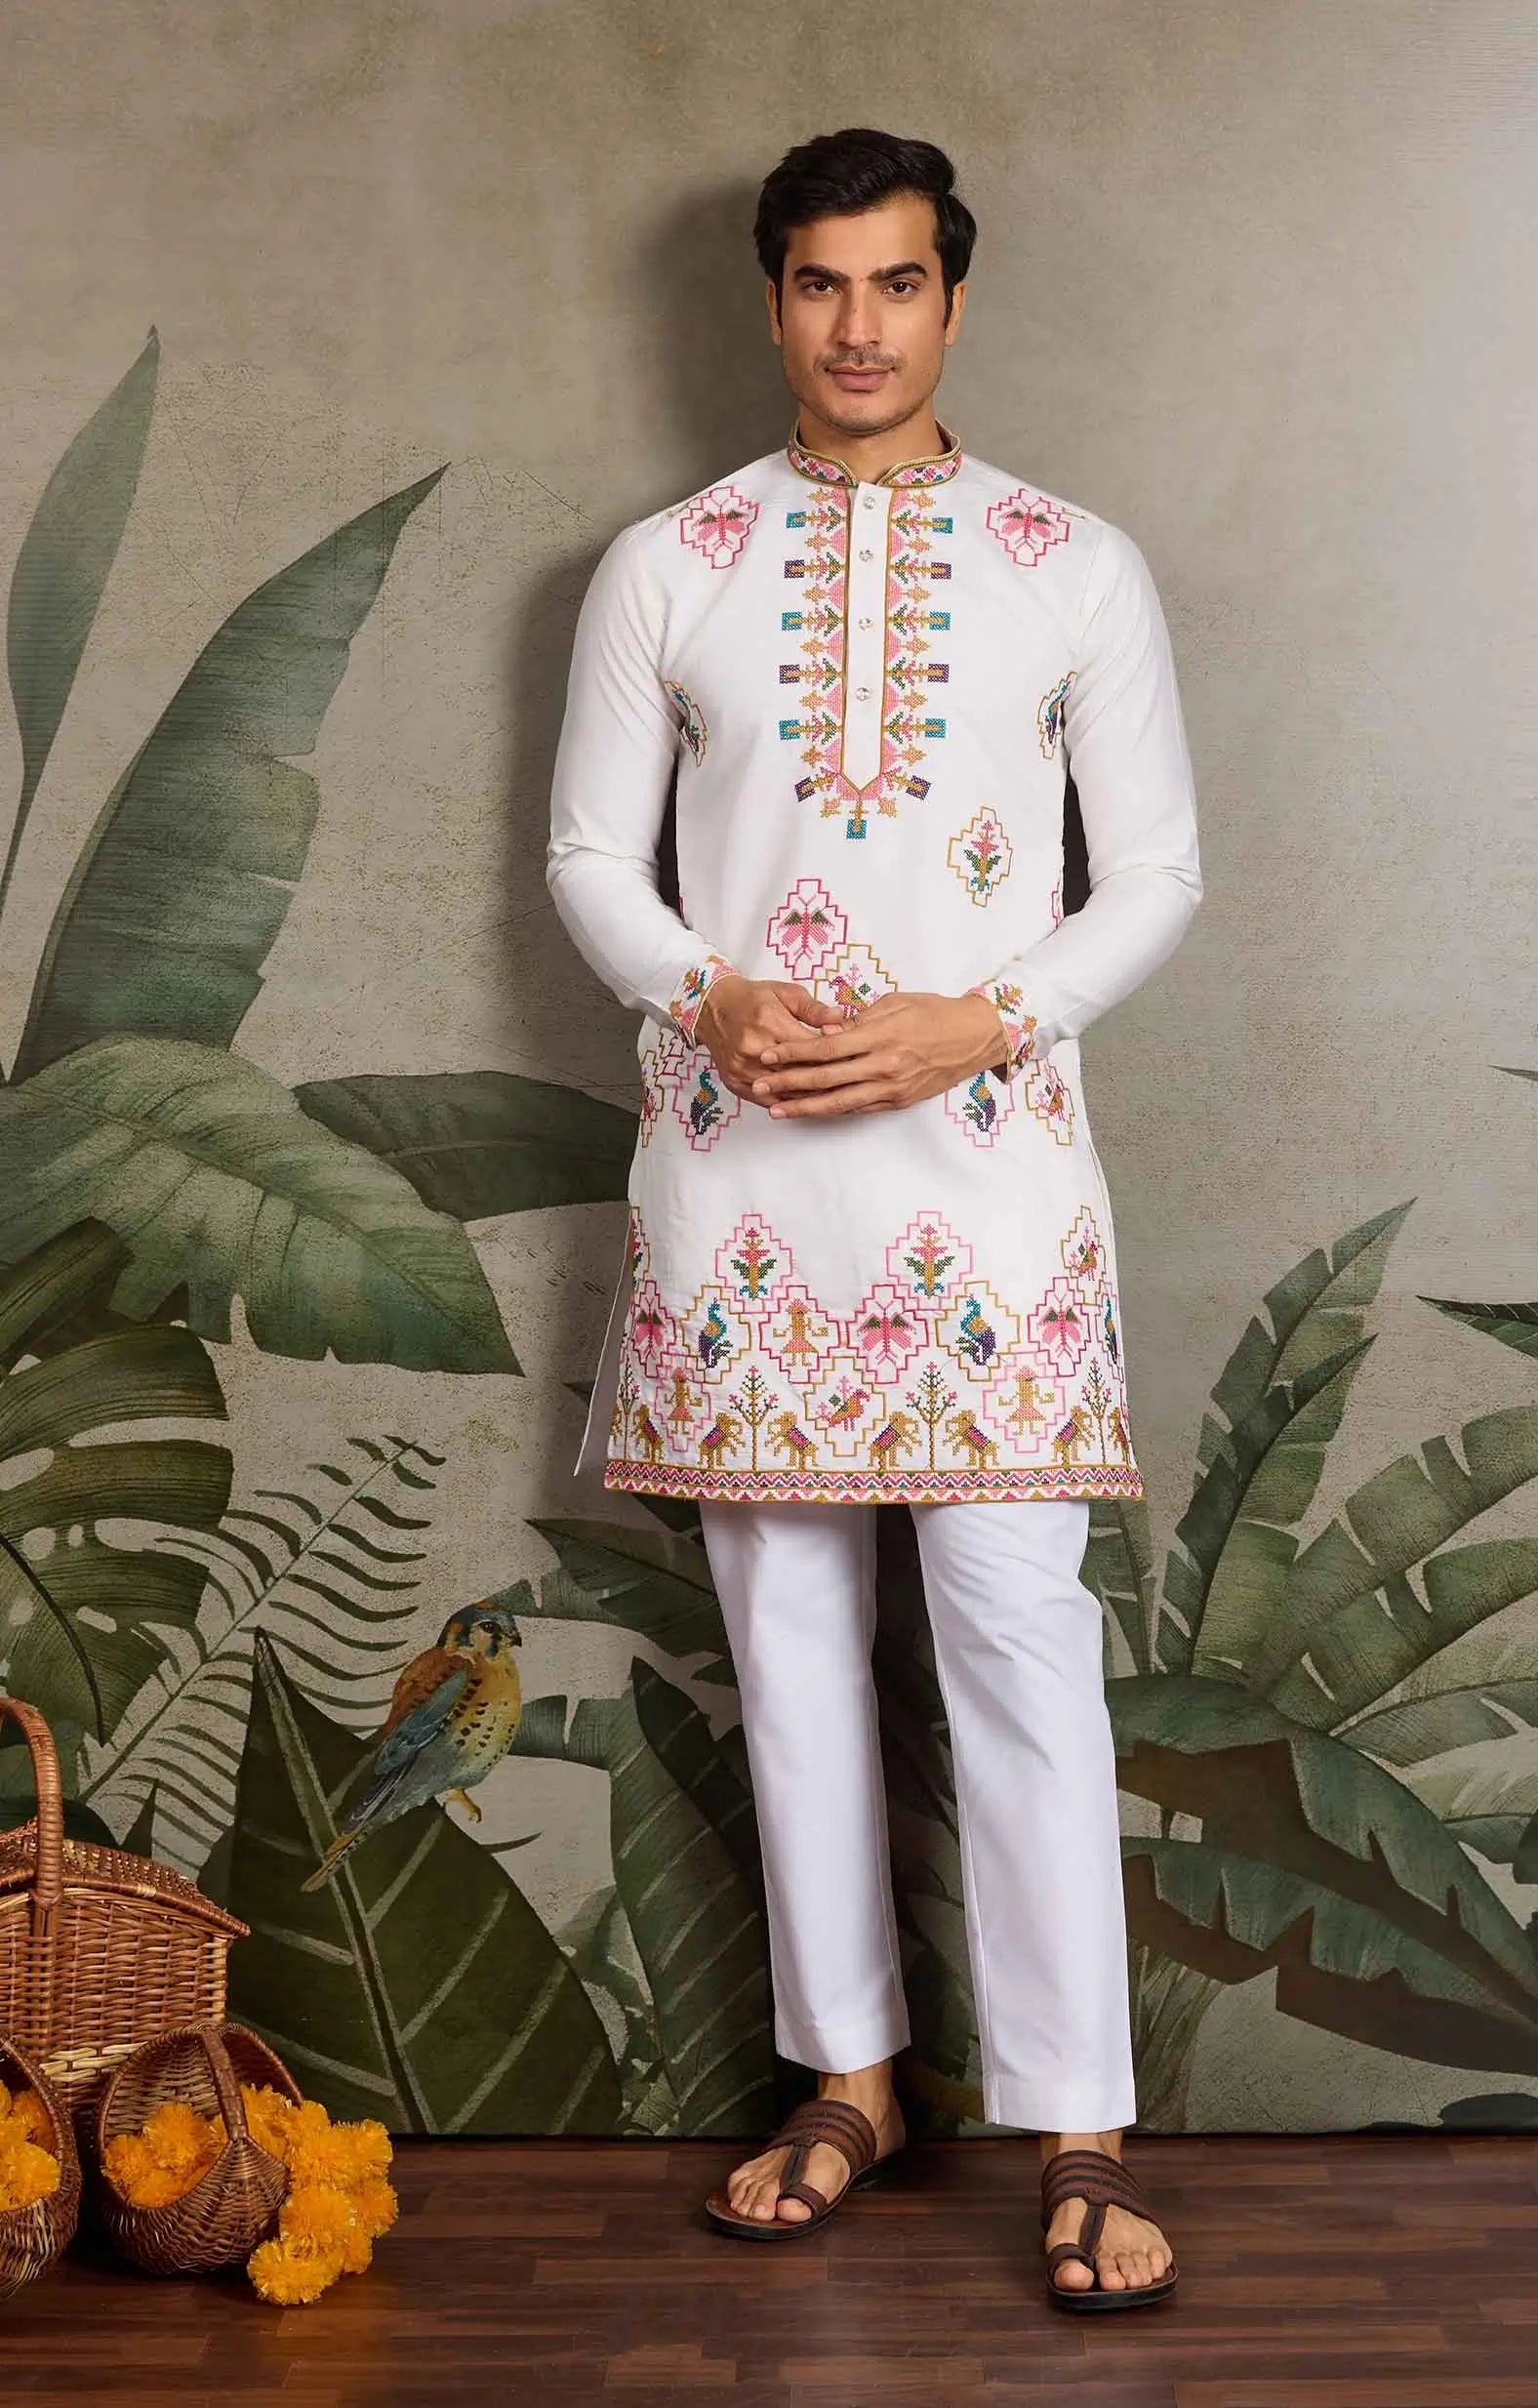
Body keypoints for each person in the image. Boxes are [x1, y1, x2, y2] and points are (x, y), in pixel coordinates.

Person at [546, 126, 1201, 2312]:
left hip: (988, 1173)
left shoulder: (1069, 564)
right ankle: (847, 2078)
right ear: (769, 302)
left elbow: (1158, 873)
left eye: (896, 282)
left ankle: (1079, 2123)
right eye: (819, 283)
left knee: (1017, 1634)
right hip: (742, 1179)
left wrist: (979, 1021)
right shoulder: (670, 563)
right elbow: (589, 858)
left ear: (950, 298)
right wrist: (702, 991)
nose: (857, 326)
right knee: (788, 1637)